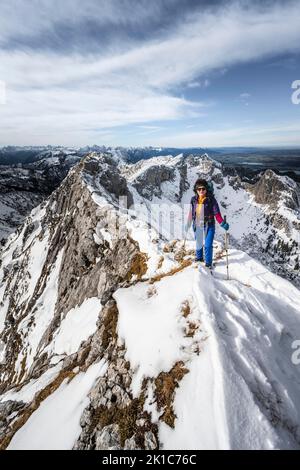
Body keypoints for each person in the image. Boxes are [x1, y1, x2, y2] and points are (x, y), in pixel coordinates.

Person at [185, 178, 229, 267]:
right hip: (197, 223)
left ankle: (208, 264)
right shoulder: (193, 200)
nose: (201, 190)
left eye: (203, 189)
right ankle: (199, 259)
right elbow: (191, 212)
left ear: (206, 189)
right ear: (196, 190)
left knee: (208, 245)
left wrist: (222, 223)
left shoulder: (211, 200)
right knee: (199, 243)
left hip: (209, 225)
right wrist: (189, 222)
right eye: (199, 189)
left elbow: (217, 213)